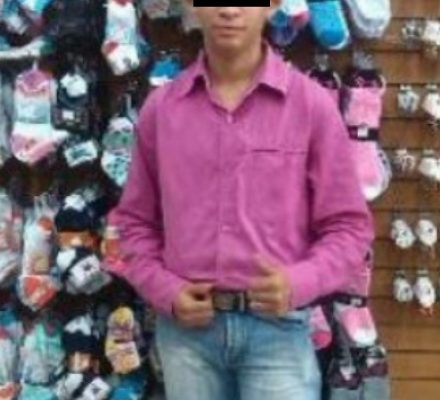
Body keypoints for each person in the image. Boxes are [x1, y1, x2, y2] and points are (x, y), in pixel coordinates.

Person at [114, 2, 374, 400]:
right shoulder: (161, 111)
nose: (229, 10)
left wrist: (300, 282)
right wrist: (165, 290)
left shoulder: (310, 107)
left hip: (279, 333)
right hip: (187, 338)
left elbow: (350, 227)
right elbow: (133, 223)